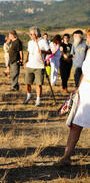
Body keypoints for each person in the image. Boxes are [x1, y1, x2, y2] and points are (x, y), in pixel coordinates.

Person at [55, 28, 90, 167]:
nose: (88, 39)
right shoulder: (88, 51)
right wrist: (77, 88)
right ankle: (66, 157)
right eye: (88, 36)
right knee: (75, 125)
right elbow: (83, 72)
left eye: (89, 37)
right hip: (85, 90)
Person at [24, 27, 51, 107]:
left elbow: (50, 51)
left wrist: (43, 51)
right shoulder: (30, 42)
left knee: (38, 84)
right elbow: (28, 52)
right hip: (30, 65)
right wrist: (26, 61)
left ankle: (38, 99)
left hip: (39, 66)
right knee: (27, 82)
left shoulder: (43, 42)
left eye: (31, 34)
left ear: (35, 34)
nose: (30, 35)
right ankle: (29, 95)